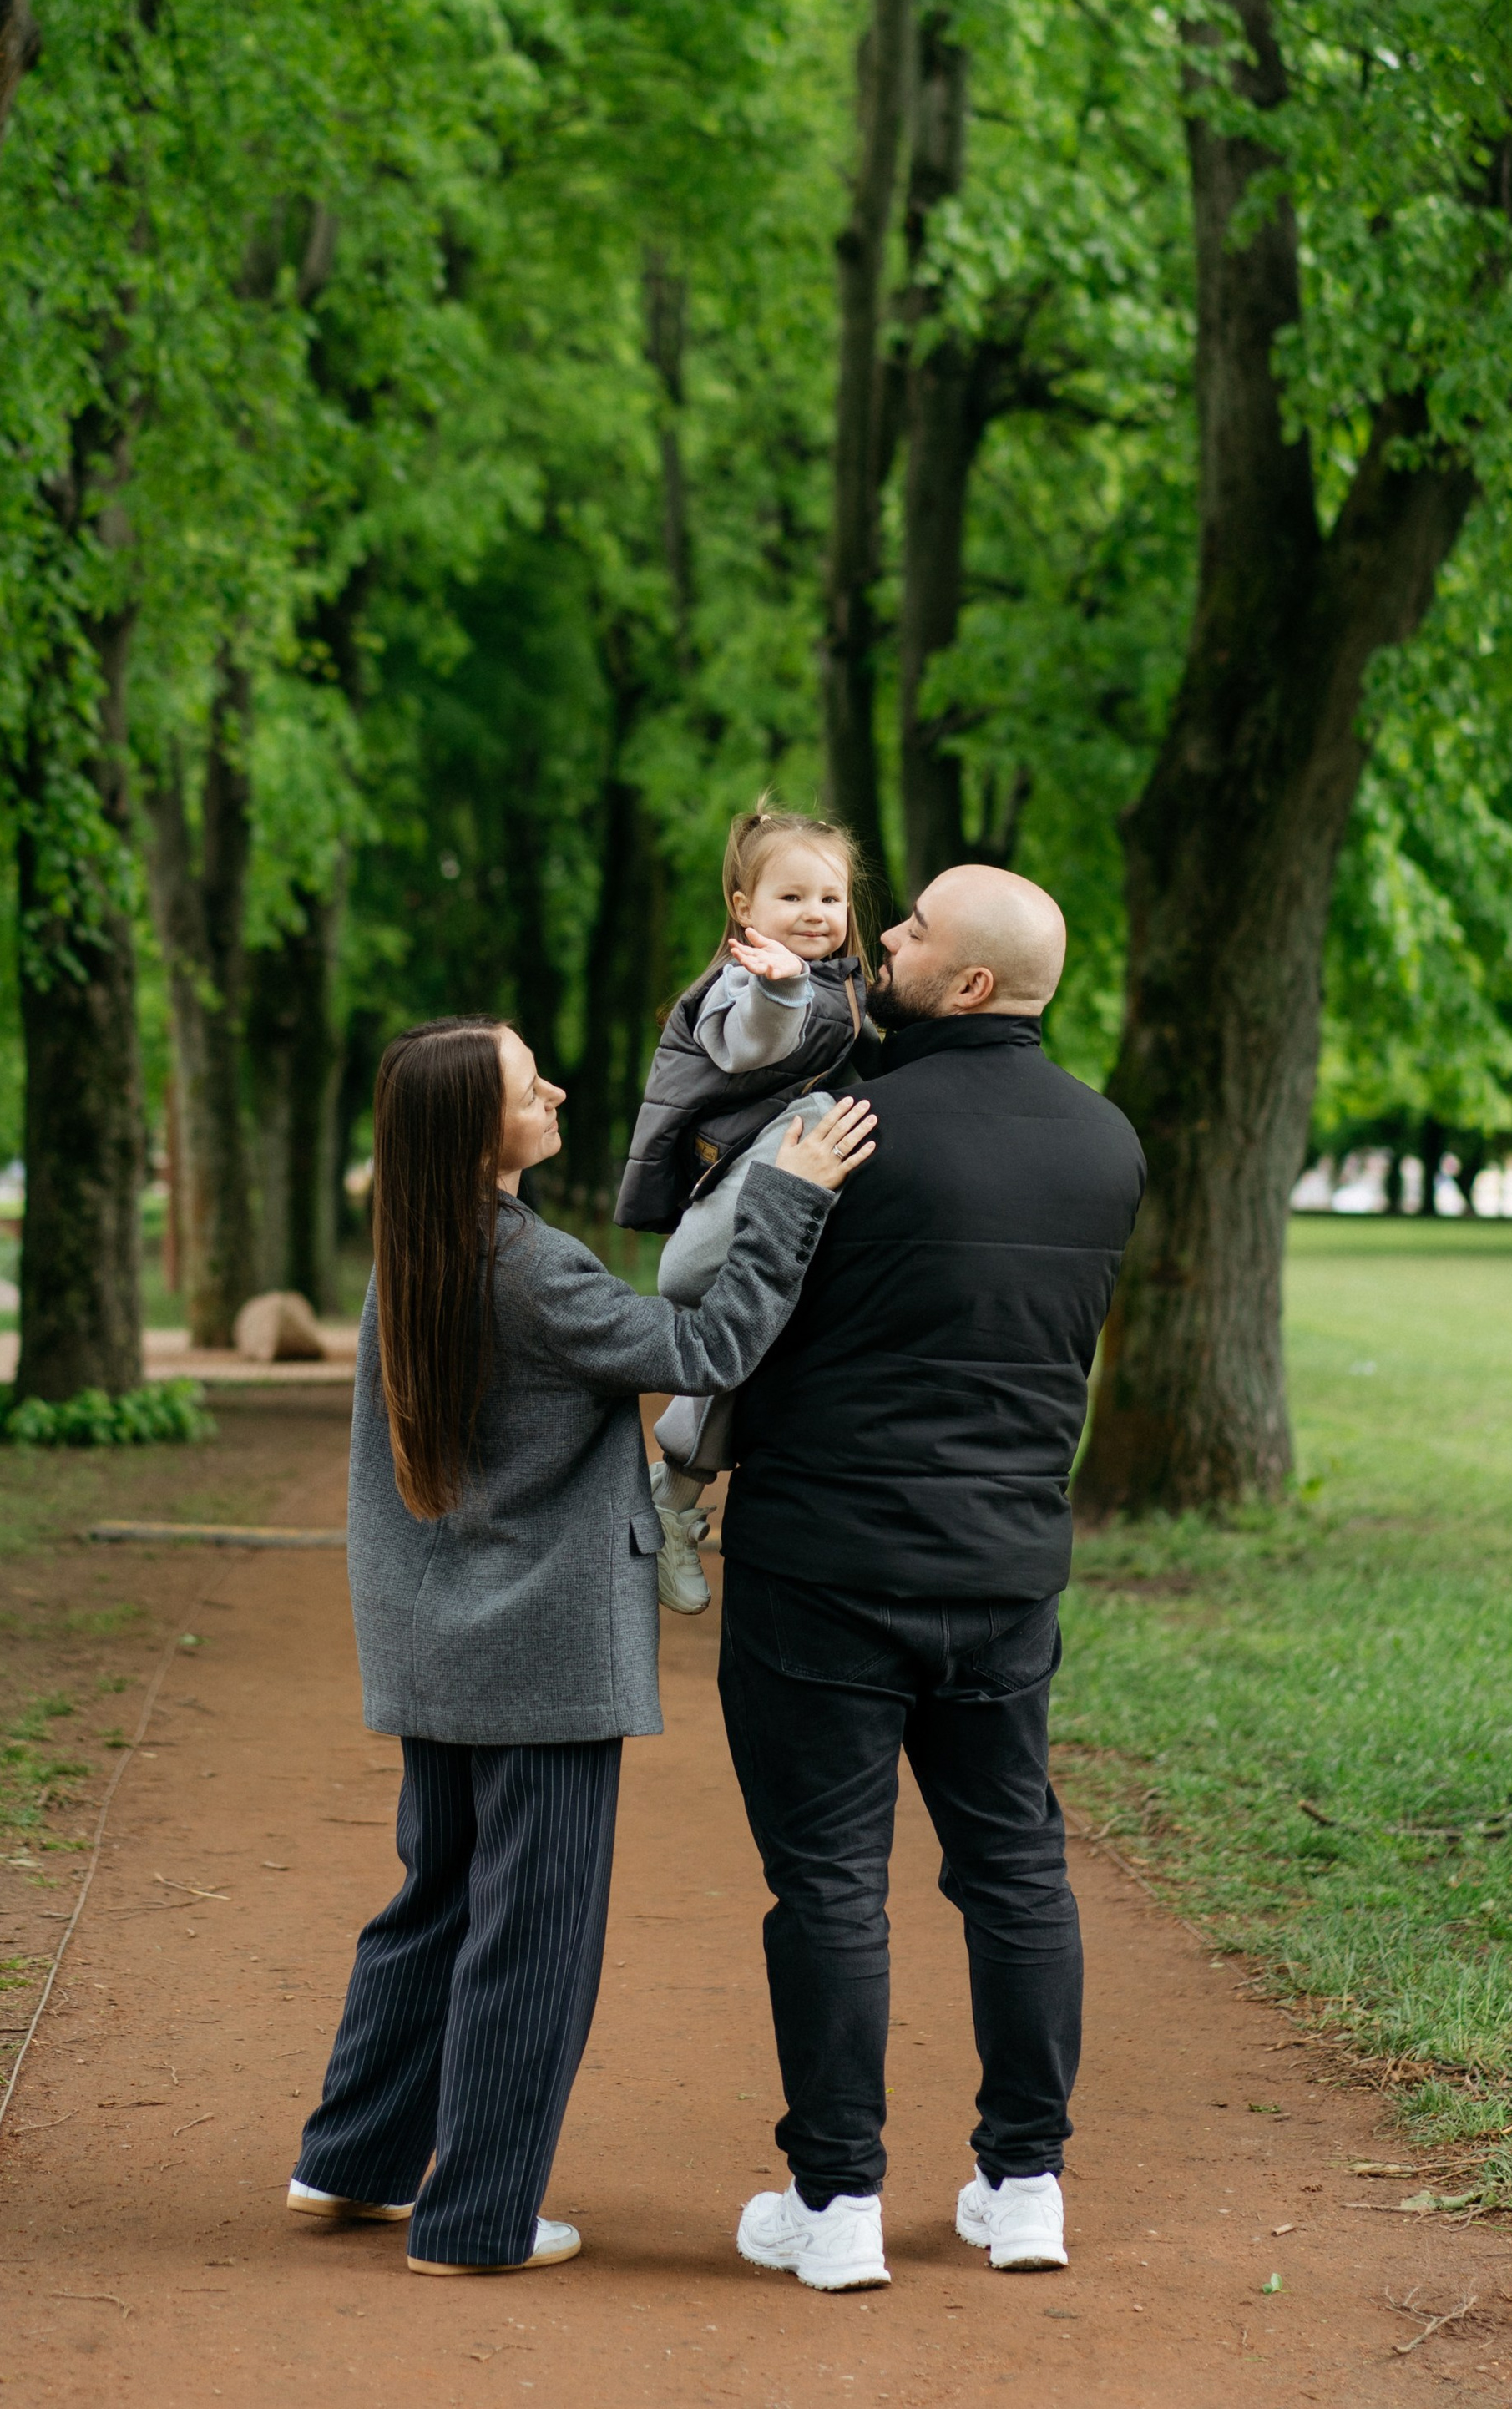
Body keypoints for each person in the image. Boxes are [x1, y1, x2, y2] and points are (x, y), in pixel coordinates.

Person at [288, 1012, 876, 2278]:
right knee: (532, 1938)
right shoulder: (530, 1266)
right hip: (539, 1653)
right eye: (524, 1085)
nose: (555, 1088)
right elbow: (709, 1351)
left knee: (434, 1903)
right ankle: (478, 2220)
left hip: (438, 1641)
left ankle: (355, 2158)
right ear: (472, 1130)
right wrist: (786, 1195)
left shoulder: (417, 1249)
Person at [718, 866, 1145, 2294]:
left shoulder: (848, 1129)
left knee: (830, 1881)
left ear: (967, 985)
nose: (878, 942)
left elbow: (728, 1300)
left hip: (823, 1568)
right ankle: (1027, 2183)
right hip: (1006, 1571)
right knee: (1017, 1869)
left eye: (906, 935)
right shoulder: (1108, 1147)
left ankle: (835, 2205)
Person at [614, 804, 877, 1615]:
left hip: (757, 1199)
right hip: (728, 1192)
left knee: (745, 1348)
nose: (812, 916)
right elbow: (752, 1046)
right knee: (818, 1115)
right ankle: (669, 1499)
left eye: (828, 900)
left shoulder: (848, 985)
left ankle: (674, 1500)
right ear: (742, 908)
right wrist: (779, 987)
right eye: (790, 898)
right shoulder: (746, 981)